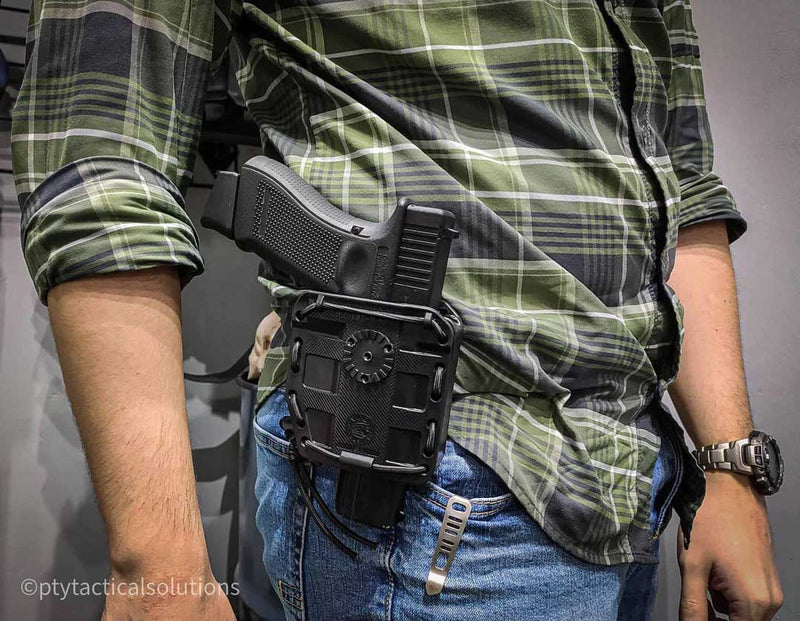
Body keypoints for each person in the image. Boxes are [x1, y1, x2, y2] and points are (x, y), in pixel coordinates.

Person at [11, 0, 783, 619]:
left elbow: (683, 191)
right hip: (433, 494)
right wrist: (159, 568)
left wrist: (730, 465)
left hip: (633, 469)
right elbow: (103, 153)